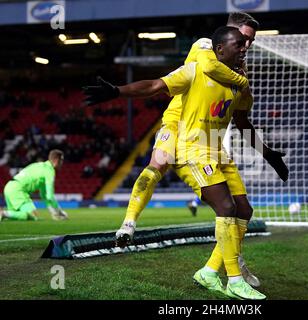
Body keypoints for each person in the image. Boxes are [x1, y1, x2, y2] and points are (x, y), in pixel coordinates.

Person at [83, 27, 288, 300]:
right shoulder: (195, 70)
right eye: (239, 44)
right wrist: (117, 91)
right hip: (191, 149)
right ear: (219, 49)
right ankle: (235, 280)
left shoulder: (241, 84)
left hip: (217, 150)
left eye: (246, 44)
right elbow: (155, 85)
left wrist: (268, 154)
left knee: (244, 210)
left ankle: (210, 271)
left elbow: (242, 123)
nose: (245, 48)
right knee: (225, 206)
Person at [0, 149, 68, 221]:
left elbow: (44, 195)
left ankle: (4, 214)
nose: (62, 164)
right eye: (61, 161)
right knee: (33, 215)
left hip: (9, 187)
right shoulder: (49, 171)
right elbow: (50, 196)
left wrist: (53, 212)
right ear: (57, 160)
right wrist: (59, 211)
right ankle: (3, 213)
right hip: (18, 190)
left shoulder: (38, 165)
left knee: (14, 217)